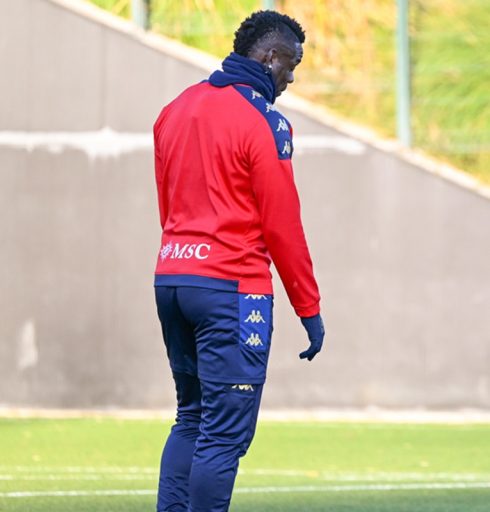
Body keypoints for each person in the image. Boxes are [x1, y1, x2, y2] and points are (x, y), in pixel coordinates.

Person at [151, 10, 325, 512]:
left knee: (192, 418)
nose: (291, 78)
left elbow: (169, 206)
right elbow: (283, 227)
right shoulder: (265, 122)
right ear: (269, 56)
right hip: (231, 291)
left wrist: (183, 256)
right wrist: (308, 310)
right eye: (290, 65)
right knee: (223, 435)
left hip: (173, 277)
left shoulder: (175, 109)